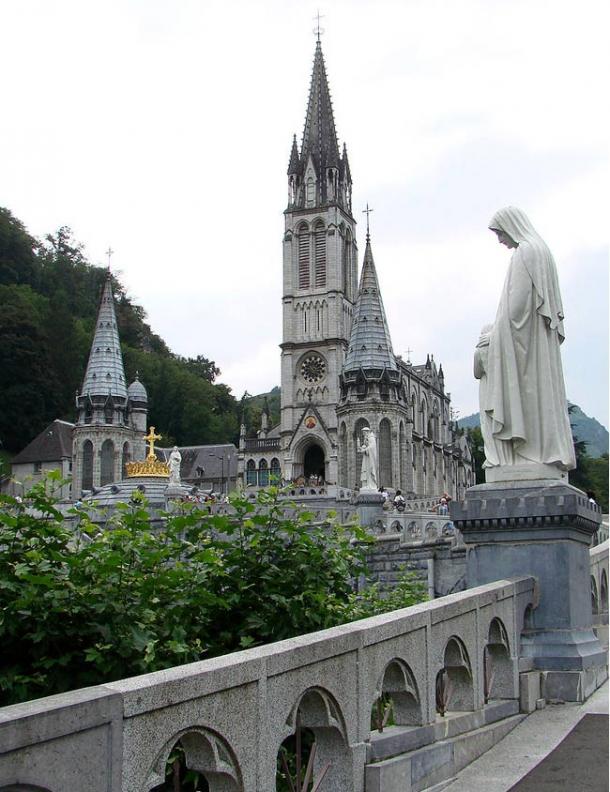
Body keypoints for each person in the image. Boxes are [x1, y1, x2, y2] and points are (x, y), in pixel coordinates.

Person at [476, 206, 575, 475]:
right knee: (540, 397)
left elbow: (517, 307)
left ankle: (529, 456)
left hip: (523, 341)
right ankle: (546, 452)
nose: (500, 240)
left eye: (500, 233)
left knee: (528, 396)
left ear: (512, 226)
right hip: (536, 339)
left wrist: (493, 336)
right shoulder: (542, 252)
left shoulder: (525, 252)